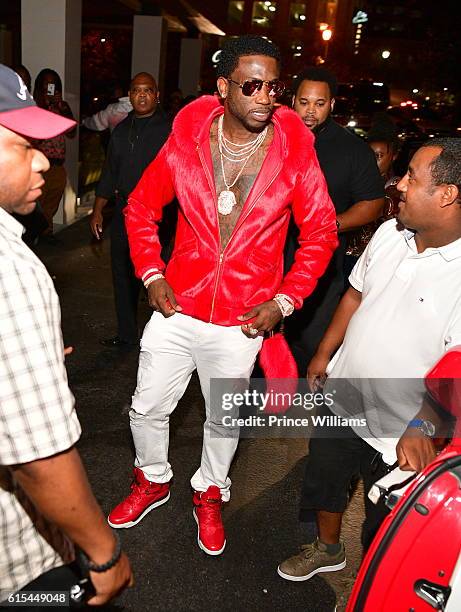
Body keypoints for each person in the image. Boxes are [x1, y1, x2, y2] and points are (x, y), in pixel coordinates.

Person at [107, 36, 338, 556]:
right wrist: (151, 273)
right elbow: (140, 208)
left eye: (273, 87)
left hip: (241, 320)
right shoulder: (187, 142)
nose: (265, 97)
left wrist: (284, 302)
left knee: (223, 420)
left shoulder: (294, 154)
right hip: (176, 306)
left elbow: (321, 233)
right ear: (223, 87)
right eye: (251, 85)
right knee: (147, 407)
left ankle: (210, 490)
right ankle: (153, 478)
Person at [278, 138, 461, 582]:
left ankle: (372, 584)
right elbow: (355, 294)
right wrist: (324, 352)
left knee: (387, 524)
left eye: (411, 177)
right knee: (325, 482)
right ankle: (326, 549)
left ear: (447, 194)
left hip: (401, 431)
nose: (397, 184)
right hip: (341, 397)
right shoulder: (388, 233)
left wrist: (424, 426)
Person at [0, 64, 133, 605]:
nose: (43, 160)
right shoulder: (11, 269)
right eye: (21, 145)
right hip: (16, 568)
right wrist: (104, 554)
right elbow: (37, 456)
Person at [286, 66, 385, 375]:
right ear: (292, 101)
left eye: (319, 103)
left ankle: (302, 409)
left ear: (332, 105)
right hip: (265, 261)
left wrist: (329, 225)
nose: (310, 111)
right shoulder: (273, 137)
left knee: (310, 341)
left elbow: (373, 204)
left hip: (322, 266)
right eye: (304, 102)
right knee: (261, 339)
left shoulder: (352, 149)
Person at [89, 72, 171, 347]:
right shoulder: (122, 129)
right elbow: (110, 171)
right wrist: (98, 209)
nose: (142, 95)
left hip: (160, 215)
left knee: (158, 276)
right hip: (125, 211)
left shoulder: (170, 129)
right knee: (122, 273)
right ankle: (126, 335)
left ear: (156, 95)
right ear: (130, 95)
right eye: (137, 90)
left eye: (148, 90)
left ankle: (160, 338)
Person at [344, 120, 401, 275]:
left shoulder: (397, 189)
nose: (373, 161)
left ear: (394, 156)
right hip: (345, 257)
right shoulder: (355, 182)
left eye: (379, 156)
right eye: (370, 155)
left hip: (375, 262)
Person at [32, 69, 76, 244]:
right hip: (40, 164)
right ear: (40, 86)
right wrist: (45, 107)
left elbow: (72, 132)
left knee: (52, 201)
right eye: (47, 83)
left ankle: (45, 232)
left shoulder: (61, 107)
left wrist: (63, 109)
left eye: (54, 84)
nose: (50, 87)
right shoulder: (34, 107)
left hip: (58, 164)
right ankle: (34, 234)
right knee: (39, 201)